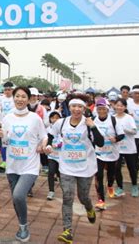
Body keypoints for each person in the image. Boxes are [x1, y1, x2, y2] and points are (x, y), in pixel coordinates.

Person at [48, 94, 104, 244]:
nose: (76, 109)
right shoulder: (61, 123)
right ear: (69, 107)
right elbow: (50, 135)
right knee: (67, 196)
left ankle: (89, 208)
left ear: (84, 109)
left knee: (83, 196)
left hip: (85, 167)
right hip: (66, 166)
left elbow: (100, 142)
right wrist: (48, 145)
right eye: (73, 106)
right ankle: (67, 231)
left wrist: (93, 126)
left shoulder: (88, 124)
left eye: (80, 107)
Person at [0, 86, 48, 242]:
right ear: (13, 98)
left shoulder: (35, 118)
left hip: (30, 164)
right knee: (15, 199)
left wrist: (42, 145)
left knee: (19, 195)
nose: (20, 99)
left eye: (23, 96)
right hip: (12, 165)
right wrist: (3, 137)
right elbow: (6, 142)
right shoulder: (7, 118)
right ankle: (22, 226)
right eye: (17, 96)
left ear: (29, 99)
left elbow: (44, 136)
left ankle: (23, 225)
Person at [93, 98, 124, 210]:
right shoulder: (94, 120)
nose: (101, 111)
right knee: (99, 176)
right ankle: (101, 200)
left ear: (107, 109)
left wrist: (115, 138)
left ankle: (110, 185)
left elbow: (122, 135)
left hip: (112, 153)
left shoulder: (114, 120)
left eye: (103, 109)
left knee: (111, 175)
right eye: (99, 109)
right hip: (99, 153)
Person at [114, 98, 139, 197]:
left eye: (121, 106)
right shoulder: (112, 118)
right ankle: (120, 187)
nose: (119, 107)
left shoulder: (129, 118)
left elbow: (134, 131)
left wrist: (125, 130)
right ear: (114, 106)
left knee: (132, 168)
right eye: (118, 105)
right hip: (117, 148)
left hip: (129, 148)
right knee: (116, 168)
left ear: (125, 107)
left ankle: (134, 186)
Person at [46, 111, 62, 201]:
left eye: (57, 117)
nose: (55, 119)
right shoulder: (49, 129)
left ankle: (65, 190)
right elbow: (47, 138)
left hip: (61, 156)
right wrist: (48, 145)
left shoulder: (64, 128)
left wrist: (59, 145)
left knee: (60, 173)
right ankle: (51, 191)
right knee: (51, 172)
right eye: (53, 117)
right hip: (52, 155)